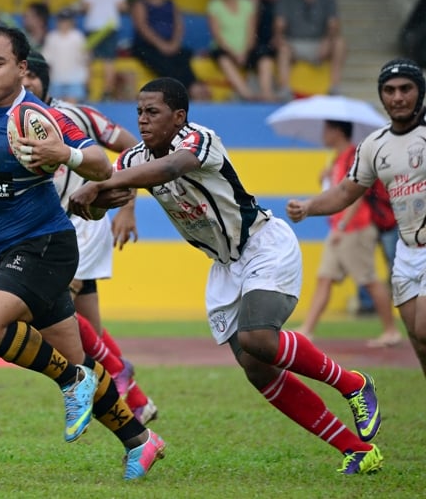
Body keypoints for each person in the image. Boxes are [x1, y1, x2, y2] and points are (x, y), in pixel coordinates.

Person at [70, 76, 384, 475]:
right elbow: (110, 193)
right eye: (139, 113)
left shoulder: (199, 139)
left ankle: (352, 384)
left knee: (259, 338)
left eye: (153, 112)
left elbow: (172, 167)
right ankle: (355, 449)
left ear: (179, 116)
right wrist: (97, 201)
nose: (143, 121)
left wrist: (103, 184)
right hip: (225, 266)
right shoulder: (132, 159)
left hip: (263, 245)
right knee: (257, 369)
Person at [0, 24, 164, 480]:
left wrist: (65, 154)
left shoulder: (37, 116)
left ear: (22, 69)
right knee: (79, 360)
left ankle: (69, 382)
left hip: (47, 246)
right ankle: (140, 441)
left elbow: (100, 162)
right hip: (1, 250)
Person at [22, 50, 157, 425]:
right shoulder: (10, 120)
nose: (26, 83)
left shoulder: (73, 115)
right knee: (85, 327)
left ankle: (116, 372)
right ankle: (135, 396)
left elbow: (133, 146)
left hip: (80, 223)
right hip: (47, 226)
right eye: (22, 77)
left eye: (32, 76)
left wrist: (128, 204)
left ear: (44, 82)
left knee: (51, 307)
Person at [287, 57, 426, 378]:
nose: (398, 97)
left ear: (420, 92)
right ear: (381, 96)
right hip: (406, 252)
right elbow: (345, 192)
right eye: (390, 90)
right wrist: (308, 207)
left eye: (407, 88)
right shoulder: (374, 146)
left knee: (424, 326)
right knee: (418, 339)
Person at [296, 120, 400, 347]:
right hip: (340, 229)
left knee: (369, 280)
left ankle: (391, 331)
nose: (323, 134)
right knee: (324, 278)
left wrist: (342, 226)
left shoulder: (353, 156)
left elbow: (356, 196)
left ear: (337, 131)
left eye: (326, 130)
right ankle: (307, 329)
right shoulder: (338, 158)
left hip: (355, 228)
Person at [130, 0, 209, 101]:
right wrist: (161, 45)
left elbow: (179, 26)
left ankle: (194, 86)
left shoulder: (171, 3)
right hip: (148, 46)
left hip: (171, 44)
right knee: (165, 64)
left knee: (182, 57)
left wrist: (174, 43)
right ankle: (187, 90)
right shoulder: (140, 4)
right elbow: (143, 28)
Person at [273, 0, 346, 98]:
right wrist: (279, 36)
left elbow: (333, 25)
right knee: (283, 48)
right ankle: (284, 89)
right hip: (294, 43)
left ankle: (335, 86)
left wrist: (327, 41)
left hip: (318, 43)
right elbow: (279, 23)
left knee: (339, 43)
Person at [207, 0, 275, 102]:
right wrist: (234, 53)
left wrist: (244, 52)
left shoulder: (248, 4)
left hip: (246, 49)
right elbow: (217, 36)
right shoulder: (214, 5)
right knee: (223, 58)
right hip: (225, 49)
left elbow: (251, 31)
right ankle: (246, 93)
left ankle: (267, 93)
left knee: (265, 56)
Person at [80, 0, 127, 101]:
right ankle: (107, 92)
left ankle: (87, 91)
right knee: (109, 60)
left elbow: (86, 6)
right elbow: (122, 6)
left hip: (94, 25)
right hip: (110, 26)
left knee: (88, 60)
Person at [42, 8, 88, 104]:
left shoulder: (78, 37)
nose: (64, 23)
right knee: (57, 110)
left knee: (72, 109)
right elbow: (47, 60)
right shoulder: (51, 37)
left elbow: (85, 59)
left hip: (75, 80)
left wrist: (86, 79)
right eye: (61, 20)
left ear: (71, 22)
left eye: (66, 20)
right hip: (56, 79)